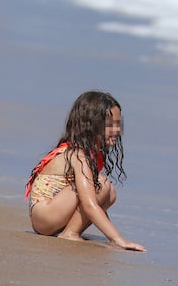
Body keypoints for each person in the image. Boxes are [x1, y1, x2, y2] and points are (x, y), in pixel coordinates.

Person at [24, 91, 146, 251]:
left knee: (109, 192)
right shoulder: (78, 154)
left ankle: (70, 231)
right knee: (100, 184)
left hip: (48, 217)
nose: (117, 130)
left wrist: (111, 235)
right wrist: (118, 239)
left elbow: (95, 202)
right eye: (111, 124)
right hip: (45, 215)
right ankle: (70, 233)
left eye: (118, 124)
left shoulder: (87, 153)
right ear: (92, 125)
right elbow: (89, 204)